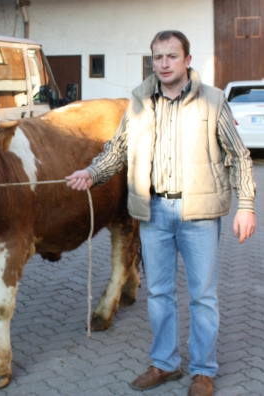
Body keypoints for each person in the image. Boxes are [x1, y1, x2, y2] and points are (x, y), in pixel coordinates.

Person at [66, 30, 256, 396]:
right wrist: (91, 173)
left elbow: (239, 157)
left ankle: (203, 371)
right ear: (151, 60)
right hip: (153, 212)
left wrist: (246, 205)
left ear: (187, 60)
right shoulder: (138, 102)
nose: (164, 64)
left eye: (171, 56)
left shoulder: (213, 101)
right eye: (157, 57)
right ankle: (165, 364)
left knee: (202, 296)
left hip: (198, 213)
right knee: (160, 294)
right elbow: (117, 149)